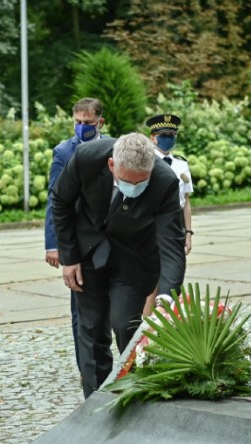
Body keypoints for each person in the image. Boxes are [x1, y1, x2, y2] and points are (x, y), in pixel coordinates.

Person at [51, 133, 186, 398]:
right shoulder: (87, 158)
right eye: (126, 181)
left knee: (126, 325)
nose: (134, 188)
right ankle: (96, 403)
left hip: (134, 259)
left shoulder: (165, 181)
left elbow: (171, 244)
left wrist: (166, 297)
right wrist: (69, 258)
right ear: (112, 165)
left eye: (141, 182)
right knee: (91, 330)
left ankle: (135, 394)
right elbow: (61, 202)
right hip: (87, 254)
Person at [43, 98, 106, 378]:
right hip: (78, 241)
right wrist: (54, 243)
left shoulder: (114, 148)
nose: (82, 128)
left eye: (88, 124)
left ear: (100, 122)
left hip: (110, 238)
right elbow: (54, 201)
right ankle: (87, 367)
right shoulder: (64, 152)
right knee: (81, 310)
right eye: (77, 123)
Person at [143, 113, 194, 316]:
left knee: (172, 278)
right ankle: (145, 328)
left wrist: (188, 232)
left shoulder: (181, 164)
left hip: (175, 227)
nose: (168, 138)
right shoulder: (145, 163)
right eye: (163, 134)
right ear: (152, 137)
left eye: (171, 134)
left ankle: (166, 326)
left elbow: (186, 202)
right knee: (151, 280)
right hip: (152, 225)